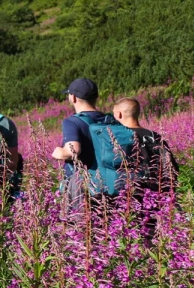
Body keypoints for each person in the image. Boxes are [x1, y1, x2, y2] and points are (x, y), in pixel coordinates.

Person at [51, 78, 137, 206]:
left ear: (73, 98)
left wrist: (59, 152)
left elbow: (73, 151)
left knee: (79, 223)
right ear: (96, 97)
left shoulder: (72, 122)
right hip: (110, 183)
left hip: (82, 187)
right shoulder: (110, 119)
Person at [112, 97, 178, 195]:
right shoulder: (154, 136)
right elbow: (170, 166)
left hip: (129, 195)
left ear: (119, 114)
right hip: (156, 195)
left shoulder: (118, 137)